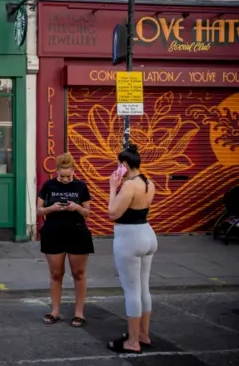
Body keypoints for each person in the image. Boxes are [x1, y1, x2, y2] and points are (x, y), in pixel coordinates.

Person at [107, 144, 157, 354]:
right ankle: (144, 335)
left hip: (129, 238)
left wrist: (112, 187)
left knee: (132, 291)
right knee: (143, 288)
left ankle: (133, 341)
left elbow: (112, 213)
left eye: (119, 165)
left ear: (125, 165)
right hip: (147, 234)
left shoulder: (129, 186)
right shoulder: (149, 182)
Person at [36, 153, 93, 327]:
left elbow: (87, 213)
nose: (67, 179)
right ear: (57, 172)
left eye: (69, 176)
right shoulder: (48, 185)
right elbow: (38, 211)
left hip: (77, 232)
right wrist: (51, 208)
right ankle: (55, 311)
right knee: (56, 274)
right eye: (63, 176)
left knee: (78, 273)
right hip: (53, 232)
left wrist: (76, 207)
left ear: (73, 171)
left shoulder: (81, 186)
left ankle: (79, 313)